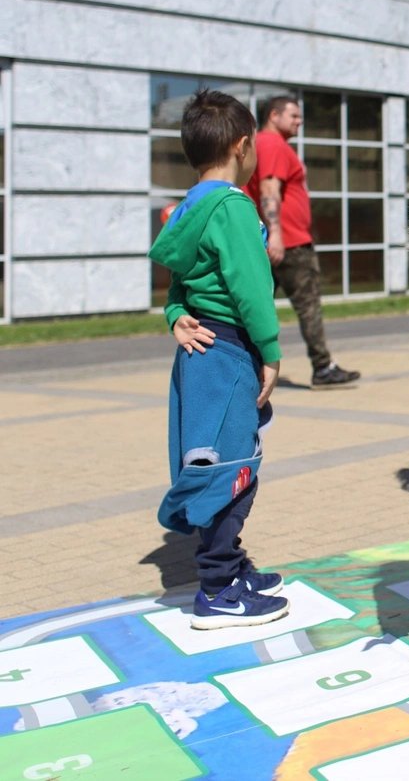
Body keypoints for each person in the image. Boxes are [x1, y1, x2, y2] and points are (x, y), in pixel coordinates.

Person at [148, 90, 289, 629]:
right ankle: (220, 587)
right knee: (232, 467)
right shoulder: (232, 206)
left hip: (197, 355)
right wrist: (271, 352)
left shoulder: (188, 207)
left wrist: (173, 315)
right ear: (244, 145)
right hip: (227, 349)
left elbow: (177, 286)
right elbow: (251, 287)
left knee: (210, 459)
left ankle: (228, 564)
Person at [243, 96, 360, 389]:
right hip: (289, 244)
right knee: (308, 307)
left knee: (257, 306)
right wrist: (277, 235)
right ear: (274, 115)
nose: (299, 121)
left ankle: (246, 365)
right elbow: (270, 189)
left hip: (278, 241)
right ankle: (322, 368)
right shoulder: (272, 144)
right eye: (293, 115)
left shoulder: (265, 144)